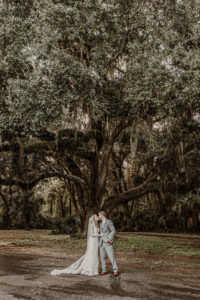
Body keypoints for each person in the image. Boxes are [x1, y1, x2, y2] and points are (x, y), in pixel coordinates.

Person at [99, 211, 119, 276]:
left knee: (111, 256)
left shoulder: (109, 222)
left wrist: (109, 239)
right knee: (102, 257)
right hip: (101, 242)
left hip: (108, 242)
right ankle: (104, 270)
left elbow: (113, 230)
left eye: (99, 215)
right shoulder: (100, 223)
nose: (99, 216)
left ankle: (115, 270)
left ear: (102, 215)